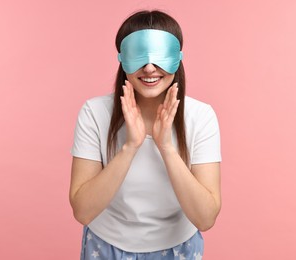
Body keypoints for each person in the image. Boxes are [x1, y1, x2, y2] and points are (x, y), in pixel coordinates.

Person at [69, 10, 222, 260]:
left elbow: (205, 218)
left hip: (178, 249)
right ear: (121, 58)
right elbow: (83, 211)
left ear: (178, 57)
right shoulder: (94, 113)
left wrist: (167, 148)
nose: (149, 66)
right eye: (138, 54)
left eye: (160, 55)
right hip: (105, 246)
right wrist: (130, 147)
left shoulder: (201, 117)